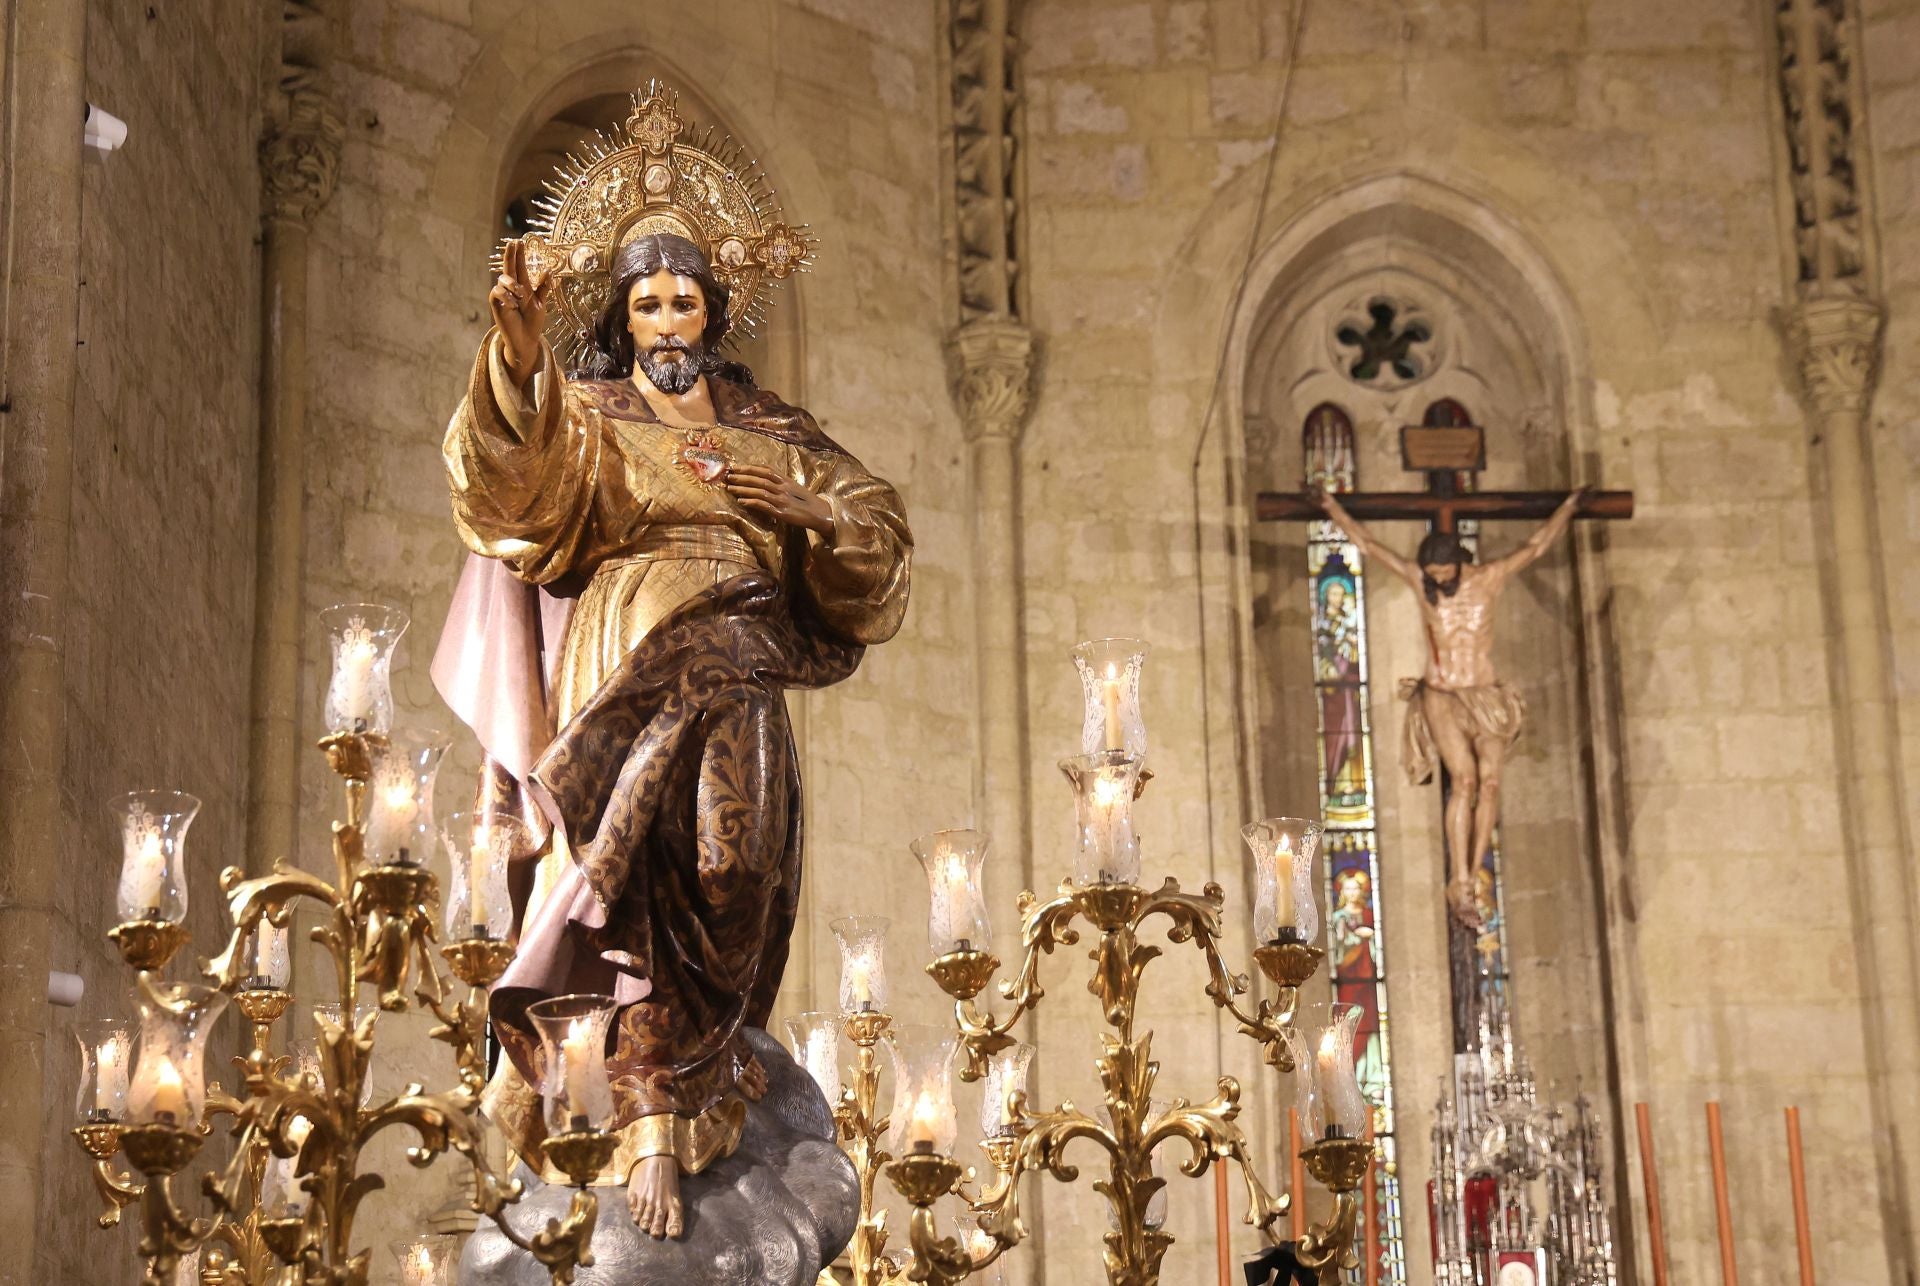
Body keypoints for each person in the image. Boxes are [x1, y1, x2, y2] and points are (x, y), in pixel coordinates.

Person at [435, 227, 911, 1240]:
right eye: (645, 306)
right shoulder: (590, 415)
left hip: (744, 658)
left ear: (712, 315)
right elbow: (508, 484)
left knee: (734, 869)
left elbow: (878, 530)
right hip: (625, 657)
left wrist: (815, 511)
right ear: (622, 319)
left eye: (682, 304)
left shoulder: (771, 427)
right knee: (633, 877)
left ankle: (710, 1061)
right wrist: (519, 358)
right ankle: (646, 1110)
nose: (665, 325)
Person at [1315, 487, 1584, 925]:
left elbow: (1536, 546)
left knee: (1490, 783)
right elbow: (1368, 543)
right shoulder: (1420, 580)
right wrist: (1331, 508)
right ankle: (1458, 881)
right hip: (1441, 693)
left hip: (1486, 694)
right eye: (1432, 575)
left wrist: (1568, 508)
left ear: (1459, 563)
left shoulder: (1490, 578)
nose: (1438, 581)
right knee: (1464, 779)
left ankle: (1473, 873)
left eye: (1444, 573)